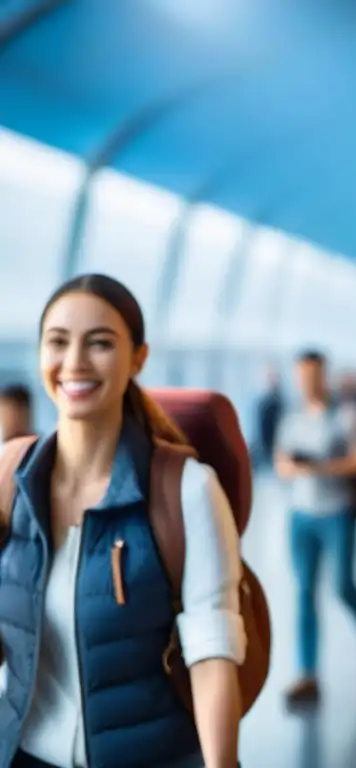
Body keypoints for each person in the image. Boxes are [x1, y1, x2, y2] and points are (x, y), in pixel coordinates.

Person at [0, 273, 245, 768]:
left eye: (100, 343)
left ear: (138, 357)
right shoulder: (9, 478)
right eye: (58, 342)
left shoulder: (186, 489)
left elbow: (211, 655)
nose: (75, 363)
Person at [274, 350, 356, 705]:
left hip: (337, 512)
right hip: (301, 515)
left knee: (342, 585)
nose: (308, 383)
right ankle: (308, 674)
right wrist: (296, 467)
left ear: (325, 376)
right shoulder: (292, 419)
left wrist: (320, 467)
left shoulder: (348, 416)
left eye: (314, 376)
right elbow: (281, 466)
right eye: (302, 377)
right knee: (304, 591)